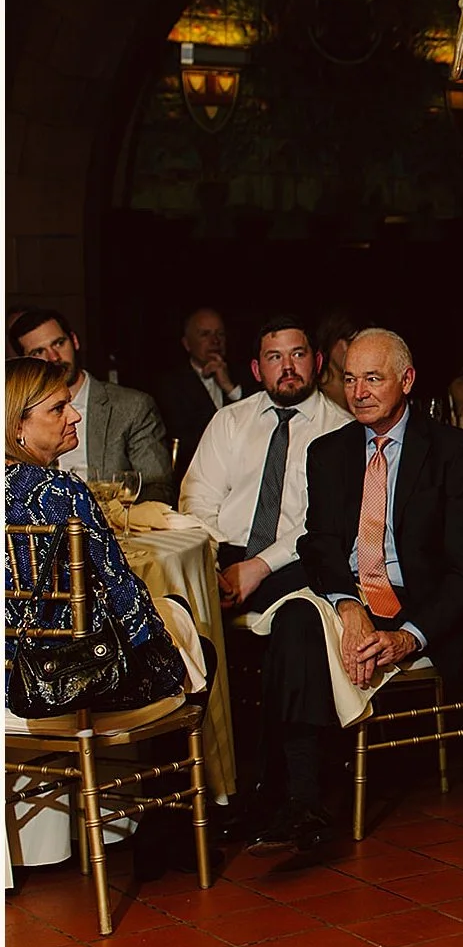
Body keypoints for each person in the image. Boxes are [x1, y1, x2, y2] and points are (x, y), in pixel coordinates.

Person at [243, 329, 463, 858]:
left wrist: (408, 638)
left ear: (407, 379)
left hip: (414, 602)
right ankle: (303, 803)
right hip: (350, 592)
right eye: (350, 379)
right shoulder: (329, 452)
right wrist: (349, 606)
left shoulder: (452, 452)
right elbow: (319, 546)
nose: (359, 393)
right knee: (295, 621)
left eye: (373, 379)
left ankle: (271, 793)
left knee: (299, 635)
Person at [5, 357, 208, 886]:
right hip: (61, 682)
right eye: (58, 408)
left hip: (5, 679)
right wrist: (166, 654)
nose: (74, 414)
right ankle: (168, 833)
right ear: (17, 424)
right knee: (191, 643)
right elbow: (123, 597)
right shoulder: (62, 492)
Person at [177, 315, 351, 829]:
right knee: (177, 621)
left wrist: (256, 567)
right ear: (257, 369)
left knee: (297, 623)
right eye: (275, 357)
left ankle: (287, 791)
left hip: (296, 559)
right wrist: (216, 565)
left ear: (317, 362)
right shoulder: (230, 422)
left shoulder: (341, 430)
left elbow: (320, 523)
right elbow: (197, 500)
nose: (287, 367)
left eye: (297, 355)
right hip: (222, 554)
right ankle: (203, 793)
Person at [8, 308, 175, 505]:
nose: (54, 357)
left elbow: (157, 488)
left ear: (74, 341)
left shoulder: (131, 406)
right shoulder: (18, 419)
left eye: (59, 343)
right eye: (38, 352)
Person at [158, 307, 256, 480]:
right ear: (187, 344)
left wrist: (230, 389)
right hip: (194, 477)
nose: (215, 341)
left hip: (244, 475)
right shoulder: (170, 386)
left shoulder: (246, 376)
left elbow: (257, 426)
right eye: (205, 334)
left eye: (220, 334)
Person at [313, 310, 359, 415]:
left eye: (356, 343)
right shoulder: (311, 391)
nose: (348, 350)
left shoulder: (365, 389)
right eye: (349, 342)